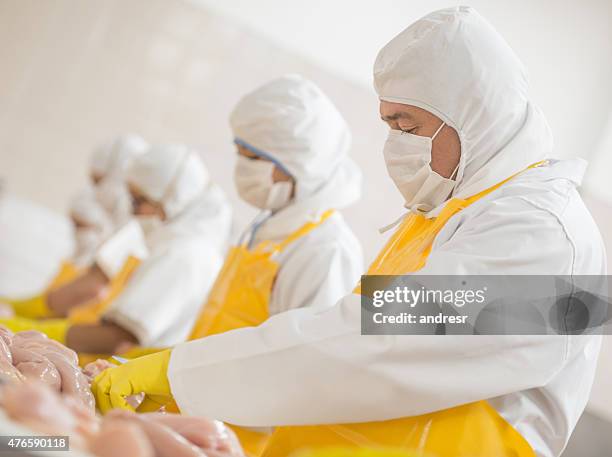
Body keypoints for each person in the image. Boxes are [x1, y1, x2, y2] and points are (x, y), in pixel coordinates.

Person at [92, 7, 606, 457]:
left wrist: (182, 373)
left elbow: (382, 339)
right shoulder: (450, 213)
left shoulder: (544, 233)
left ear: (475, 119)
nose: (393, 147)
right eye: (388, 125)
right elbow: (355, 324)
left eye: (407, 128)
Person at [2, 145, 233, 353]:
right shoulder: (173, 244)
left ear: (168, 202)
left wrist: (26, 330)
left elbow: (118, 337)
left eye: (138, 201)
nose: (133, 212)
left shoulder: (185, 254)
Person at [186, 74, 363, 341]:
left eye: (254, 157)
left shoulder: (325, 250)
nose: (242, 166)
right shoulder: (268, 227)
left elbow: (305, 359)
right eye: (240, 152)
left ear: (300, 165)